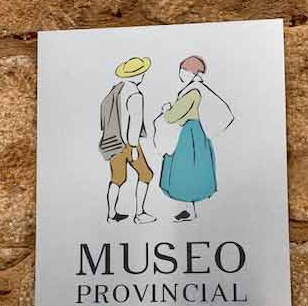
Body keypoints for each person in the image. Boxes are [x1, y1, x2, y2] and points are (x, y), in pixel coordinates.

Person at [159, 56, 232, 222]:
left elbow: (172, 117)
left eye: (183, 70)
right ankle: (189, 209)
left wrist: (166, 110)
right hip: (198, 134)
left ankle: (189, 210)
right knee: (194, 168)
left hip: (188, 135)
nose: (180, 73)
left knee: (185, 168)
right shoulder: (199, 89)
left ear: (192, 73)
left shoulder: (192, 92)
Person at [99, 57, 156, 224]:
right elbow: (135, 123)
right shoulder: (136, 95)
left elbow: (103, 111)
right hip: (129, 144)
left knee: (117, 178)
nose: (143, 75)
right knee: (146, 174)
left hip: (113, 141)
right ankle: (140, 214)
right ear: (136, 75)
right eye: (142, 73)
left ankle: (111, 215)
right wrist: (133, 147)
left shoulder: (116, 89)